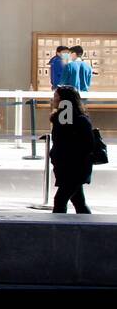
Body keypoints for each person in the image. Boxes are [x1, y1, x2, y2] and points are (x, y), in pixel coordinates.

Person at [49, 85, 96, 214]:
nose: (53, 100)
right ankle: (88, 228)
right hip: (68, 168)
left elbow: (87, 145)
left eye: (56, 97)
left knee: (60, 200)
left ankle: (57, 229)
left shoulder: (80, 121)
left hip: (75, 169)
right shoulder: (63, 120)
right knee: (78, 201)